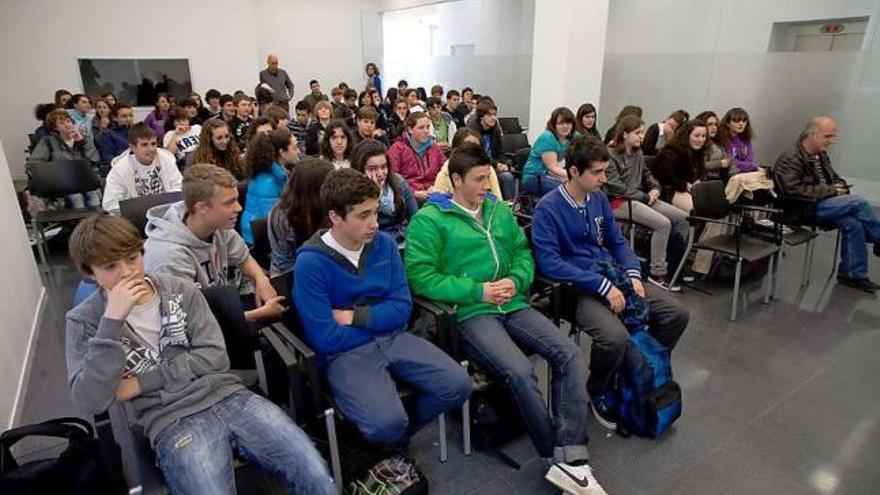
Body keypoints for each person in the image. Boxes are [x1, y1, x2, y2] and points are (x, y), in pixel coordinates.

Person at [65, 214, 335, 495]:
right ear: (89, 272)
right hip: (171, 420)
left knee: (314, 472)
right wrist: (112, 322)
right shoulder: (85, 321)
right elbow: (92, 400)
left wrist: (138, 384)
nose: (127, 273)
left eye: (132, 259)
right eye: (110, 267)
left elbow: (215, 357)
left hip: (229, 395)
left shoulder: (178, 289)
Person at [405, 143, 605, 495]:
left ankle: (568, 455)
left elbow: (522, 254)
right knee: (519, 372)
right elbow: (421, 277)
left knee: (569, 354)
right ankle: (556, 457)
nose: (487, 186)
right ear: (455, 180)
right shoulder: (431, 219)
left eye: (489, 178)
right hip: (471, 312)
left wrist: (516, 280)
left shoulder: (497, 211)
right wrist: (477, 291)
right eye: (479, 179)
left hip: (512, 303)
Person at [293, 168, 471, 446]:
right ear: (335, 217)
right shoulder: (310, 263)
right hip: (345, 353)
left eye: (375, 212)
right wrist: (380, 322)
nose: (374, 223)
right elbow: (324, 337)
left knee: (458, 385)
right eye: (363, 215)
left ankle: (401, 431)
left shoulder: (384, 245)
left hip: (393, 337)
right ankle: (389, 430)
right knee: (385, 422)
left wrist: (355, 317)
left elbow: (402, 308)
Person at [530, 136, 689, 435]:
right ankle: (599, 388)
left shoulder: (598, 199)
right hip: (576, 288)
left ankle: (636, 369)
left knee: (676, 313)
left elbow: (616, 241)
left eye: (605, 171)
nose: (605, 178)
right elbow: (550, 263)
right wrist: (602, 285)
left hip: (613, 275)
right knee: (614, 337)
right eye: (598, 172)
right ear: (574, 172)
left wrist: (631, 273)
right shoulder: (548, 208)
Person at [144, 163, 284, 322]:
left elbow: (242, 257)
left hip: (219, 309)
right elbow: (188, 323)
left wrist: (260, 279)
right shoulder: (168, 257)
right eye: (229, 203)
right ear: (202, 207)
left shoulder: (217, 225)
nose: (238, 208)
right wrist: (258, 315)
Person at [775, 116, 880, 293]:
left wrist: (840, 187)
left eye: (833, 136)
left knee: (852, 224)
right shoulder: (791, 157)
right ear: (812, 134)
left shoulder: (820, 156)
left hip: (825, 203)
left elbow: (835, 178)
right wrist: (831, 190)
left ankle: (853, 275)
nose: (831, 141)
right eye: (827, 136)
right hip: (802, 209)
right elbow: (792, 190)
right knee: (858, 202)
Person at [605, 116, 689, 289]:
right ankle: (657, 273)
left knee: (683, 219)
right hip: (619, 202)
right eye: (638, 133)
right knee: (663, 224)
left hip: (641, 198)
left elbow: (648, 174)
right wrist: (644, 197)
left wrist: (655, 188)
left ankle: (674, 266)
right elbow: (616, 188)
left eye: (642, 132)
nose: (642, 136)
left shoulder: (638, 153)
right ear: (626, 134)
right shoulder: (611, 155)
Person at [267, 159, 332, 276]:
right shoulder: (282, 216)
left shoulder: (331, 206)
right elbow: (284, 263)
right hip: (290, 272)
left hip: (325, 266)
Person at [102, 123, 182, 215]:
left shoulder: (166, 159)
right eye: (144, 145)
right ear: (132, 147)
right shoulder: (119, 169)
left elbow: (178, 187)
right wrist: (141, 207)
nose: (151, 149)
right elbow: (109, 204)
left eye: (153, 144)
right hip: (134, 217)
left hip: (165, 213)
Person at [30, 108, 102, 208]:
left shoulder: (84, 139)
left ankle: (96, 221)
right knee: (77, 197)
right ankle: (80, 222)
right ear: (55, 128)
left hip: (85, 180)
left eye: (68, 121)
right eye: (62, 123)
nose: (67, 125)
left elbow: (94, 159)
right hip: (62, 182)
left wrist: (81, 144)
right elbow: (35, 162)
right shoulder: (48, 142)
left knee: (93, 195)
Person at [351, 139, 417, 243]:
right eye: (372, 169)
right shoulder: (352, 192)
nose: (380, 173)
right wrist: (374, 194)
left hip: (404, 239)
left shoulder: (399, 182)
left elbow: (415, 217)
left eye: (383, 167)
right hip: (376, 243)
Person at [237, 130, 292, 246]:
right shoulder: (267, 184)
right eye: (295, 147)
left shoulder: (274, 174)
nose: (299, 151)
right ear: (282, 152)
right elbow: (273, 222)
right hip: (257, 241)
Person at [652, 119, 709, 213]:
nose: (701, 140)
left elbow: (701, 171)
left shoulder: (699, 151)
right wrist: (686, 186)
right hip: (670, 189)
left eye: (704, 136)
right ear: (687, 136)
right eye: (696, 136)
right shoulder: (671, 151)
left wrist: (698, 181)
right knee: (699, 210)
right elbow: (665, 177)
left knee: (711, 206)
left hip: (691, 189)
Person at [388, 112, 445, 202]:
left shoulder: (435, 148)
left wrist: (437, 187)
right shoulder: (397, 149)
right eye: (421, 128)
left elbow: (446, 171)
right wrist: (413, 193)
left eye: (428, 127)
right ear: (410, 129)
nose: (426, 131)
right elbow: (392, 178)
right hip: (409, 197)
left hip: (433, 193)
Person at [465, 98, 515, 199]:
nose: (493, 118)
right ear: (481, 117)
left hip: (493, 165)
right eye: (489, 115)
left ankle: (509, 206)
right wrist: (497, 165)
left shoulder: (495, 128)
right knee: (507, 177)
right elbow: (478, 155)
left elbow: (500, 151)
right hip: (478, 166)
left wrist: (504, 163)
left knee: (509, 171)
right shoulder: (473, 129)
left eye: (494, 115)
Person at [433, 127, 503, 198]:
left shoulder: (489, 170)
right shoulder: (444, 175)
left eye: (476, 147)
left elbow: (498, 199)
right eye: (468, 147)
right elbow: (437, 203)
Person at [522, 107, 576, 196]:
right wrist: (575, 176)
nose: (565, 126)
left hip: (553, 176)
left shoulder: (573, 136)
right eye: (561, 123)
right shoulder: (547, 137)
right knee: (567, 191)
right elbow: (553, 168)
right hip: (534, 177)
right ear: (554, 125)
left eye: (568, 122)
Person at [695, 110, 732, 181]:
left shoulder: (718, 141)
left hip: (722, 178)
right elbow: (699, 165)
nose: (714, 127)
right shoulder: (700, 142)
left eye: (715, 124)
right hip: (707, 180)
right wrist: (720, 163)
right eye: (710, 124)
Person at [719, 107, 758, 173]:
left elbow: (750, 161)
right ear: (727, 124)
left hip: (745, 175)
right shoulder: (723, 140)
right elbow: (731, 163)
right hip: (730, 176)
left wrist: (752, 166)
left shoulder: (746, 140)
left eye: (744, 121)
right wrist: (753, 166)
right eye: (736, 121)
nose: (741, 124)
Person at [98, 103, 136, 167]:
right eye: (124, 116)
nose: (128, 119)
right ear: (115, 118)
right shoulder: (108, 134)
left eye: (131, 115)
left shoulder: (138, 132)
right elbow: (107, 158)